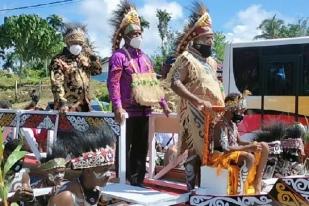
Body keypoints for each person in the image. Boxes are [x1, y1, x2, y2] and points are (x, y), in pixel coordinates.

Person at [108, 1, 170, 186]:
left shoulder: (145, 58)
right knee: (124, 147)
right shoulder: (118, 56)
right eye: (133, 34)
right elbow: (113, 84)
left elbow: (152, 83)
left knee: (141, 148)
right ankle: (122, 179)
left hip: (144, 110)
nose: (137, 36)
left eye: (139, 33)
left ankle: (137, 180)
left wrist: (163, 103)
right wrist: (117, 107)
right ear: (126, 37)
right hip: (127, 111)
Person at [165, 1, 225, 191]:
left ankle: (207, 188)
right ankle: (192, 189)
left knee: (213, 150)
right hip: (194, 111)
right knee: (196, 150)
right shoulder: (186, 58)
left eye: (212, 38)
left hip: (214, 112)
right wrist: (197, 100)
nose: (211, 42)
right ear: (197, 40)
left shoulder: (212, 62)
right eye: (207, 39)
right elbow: (175, 83)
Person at [212, 93, 269, 194]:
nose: (242, 115)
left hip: (234, 153)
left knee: (264, 146)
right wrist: (249, 147)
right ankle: (240, 191)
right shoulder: (221, 125)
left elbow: (239, 142)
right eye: (241, 111)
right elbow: (225, 148)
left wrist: (255, 144)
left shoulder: (233, 124)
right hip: (222, 157)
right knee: (249, 157)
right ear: (231, 109)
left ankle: (257, 182)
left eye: (243, 112)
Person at [49, 126, 116, 206]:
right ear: (88, 171)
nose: (109, 175)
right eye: (104, 170)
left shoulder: (96, 189)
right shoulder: (67, 196)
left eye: (109, 169)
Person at [49, 24, 102, 112]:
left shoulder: (85, 58)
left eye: (79, 43)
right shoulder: (58, 60)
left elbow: (97, 71)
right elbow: (56, 83)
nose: (77, 45)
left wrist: (93, 57)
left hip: (85, 105)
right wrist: (62, 103)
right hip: (67, 107)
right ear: (68, 43)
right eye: (74, 43)